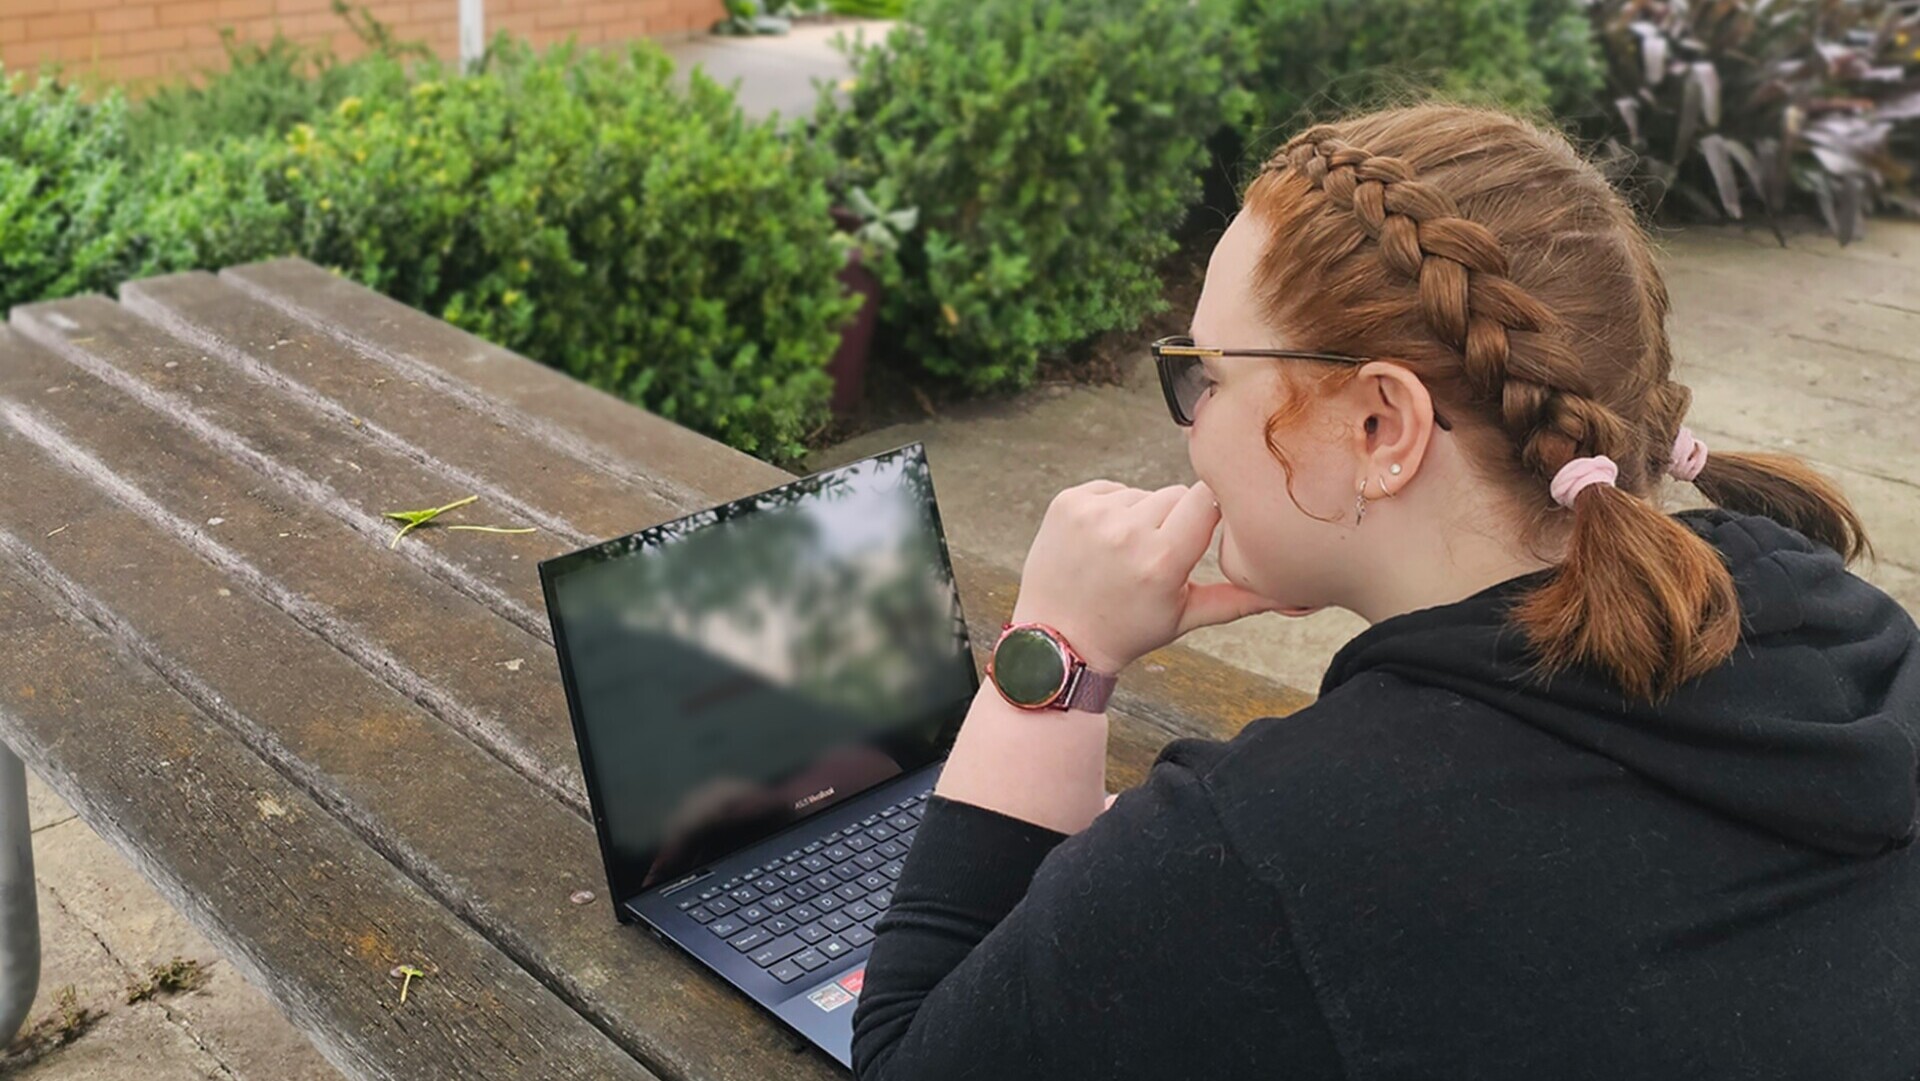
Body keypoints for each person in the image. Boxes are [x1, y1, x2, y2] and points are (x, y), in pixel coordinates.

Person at [849, 103, 1920, 1079]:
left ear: (1380, 429)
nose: (1189, 425)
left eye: (1205, 377)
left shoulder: (1273, 854)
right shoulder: (1852, 637)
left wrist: (1055, 651)